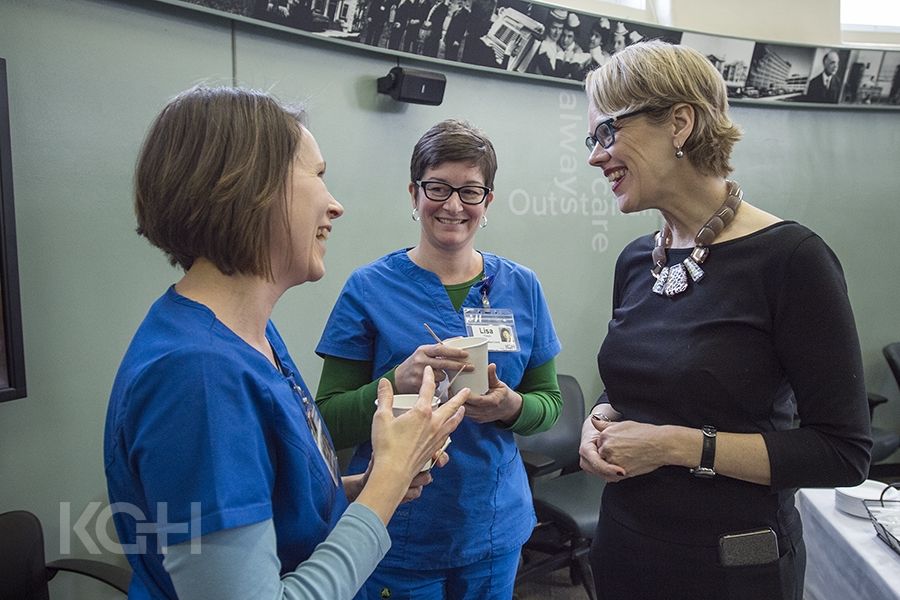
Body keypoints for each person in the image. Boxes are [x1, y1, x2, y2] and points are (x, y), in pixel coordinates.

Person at [104, 86, 467, 600]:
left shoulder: (248, 336)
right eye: (317, 176)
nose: (335, 205)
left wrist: (365, 486)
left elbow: (274, 510)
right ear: (252, 187)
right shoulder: (198, 374)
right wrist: (386, 486)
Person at [580, 40, 872, 600]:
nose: (595, 157)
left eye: (607, 132)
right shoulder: (637, 260)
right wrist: (599, 418)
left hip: (731, 566)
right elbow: (635, 387)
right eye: (591, 140)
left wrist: (675, 445)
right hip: (623, 549)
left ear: (679, 123)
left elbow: (842, 452)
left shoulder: (792, 259)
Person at [315, 119, 563, 599]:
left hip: (492, 524)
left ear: (487, 202)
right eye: (438, 188)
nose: (453, 205)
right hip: (397, 526)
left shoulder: (521, 286)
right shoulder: (368, 288)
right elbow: (327, 421)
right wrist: (396, 382)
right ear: (414, 194)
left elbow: (548, 403)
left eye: (470, 191)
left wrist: (511, 407)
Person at [527, 8, 565, 76]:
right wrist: (560, 55)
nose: (557, 32)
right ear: (548, 27)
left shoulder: (558, 45)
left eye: (560, 29)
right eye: (554, 28)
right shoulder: (542, 47)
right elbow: (551, 76)